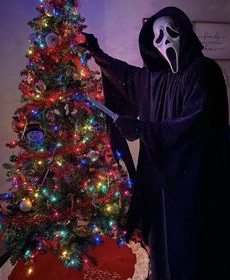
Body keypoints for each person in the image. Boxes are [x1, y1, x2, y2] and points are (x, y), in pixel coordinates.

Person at [81, 6, 230, 280]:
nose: (165, 41)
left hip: (192, 185)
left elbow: (196, 123)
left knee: (191, 250)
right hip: (160, 183)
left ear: (184, 31)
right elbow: (125, 76)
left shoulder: (203, 71)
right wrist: (96, 52)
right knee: (162, 247)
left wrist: (143, 128)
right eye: (157, 37)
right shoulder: (157, 79)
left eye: (170, 31)